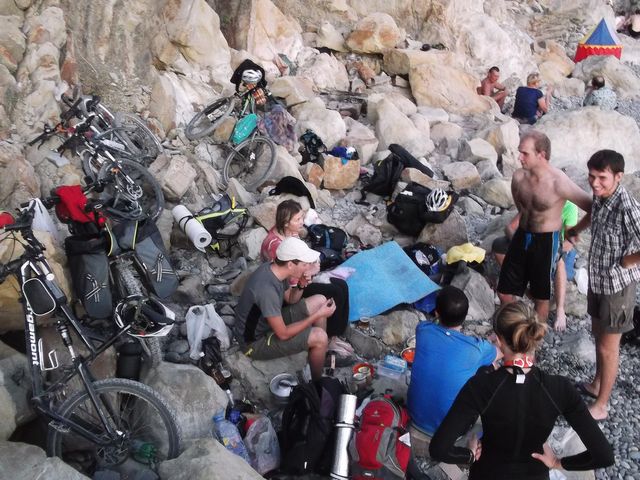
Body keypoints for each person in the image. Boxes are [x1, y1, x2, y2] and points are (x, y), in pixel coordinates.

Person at [429, 301, 614, 479]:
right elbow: (604, 455)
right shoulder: (560, 388)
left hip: (488, 472)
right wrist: (558, 462)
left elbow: (438, 449)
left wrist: (469, 455)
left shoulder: (480, 386)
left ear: (499, 340)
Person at [566, 149, 640, 421]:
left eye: (602, 178)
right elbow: (593, 215)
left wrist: (628, 261)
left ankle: (602, 405)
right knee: (598, 335)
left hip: (617, 288)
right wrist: (576, 229)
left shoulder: (627, 207)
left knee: (609, 347)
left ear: (618, 177)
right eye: (591, 176)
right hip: (598, 279)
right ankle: (597, 384)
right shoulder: (601, 196)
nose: (594, 183)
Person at [497, 130, 592, 324]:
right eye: (519, 152)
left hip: (546, 240)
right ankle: (512, 329)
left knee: (541, 296)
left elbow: (593, 207)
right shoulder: (518, 177)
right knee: (504, 291)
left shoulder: (558, 182)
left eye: (525, 153)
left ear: (541, 154)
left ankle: (534, 338)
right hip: (522, 234)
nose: (519, 157)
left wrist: (574, 230)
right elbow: (522, 208)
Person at [407, 286, 501, 465]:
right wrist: (490, 343)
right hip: (449, 430)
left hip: (415, 416)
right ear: (465, 317)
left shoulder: (422, 330)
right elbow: (499, 353)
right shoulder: (476, 348)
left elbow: (441, 338)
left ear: (436, 312)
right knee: (489, 368)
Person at [233, 237, 336, 380]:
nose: (308, 267)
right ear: (290, 264)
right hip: (254, 343)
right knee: (320, 337)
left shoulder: (274, 268)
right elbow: (283, 334)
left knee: (320, 300)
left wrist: (301, 284)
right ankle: (317, 382)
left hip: (267, 322)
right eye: (305, 264)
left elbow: (291, 299)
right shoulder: (267, 291)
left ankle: (319, 353)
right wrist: (318, 315)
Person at [260, 199, 350, 338]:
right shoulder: (275, 245)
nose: (302, 222)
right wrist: (310, 271)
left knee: (342, 285)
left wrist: (311, 265)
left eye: (302, 217)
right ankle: (331, 336)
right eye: (297, 219)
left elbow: (300, 259)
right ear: (286, 223)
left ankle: (338, 333)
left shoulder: (290, 232)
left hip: (299, 277)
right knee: (335, 291)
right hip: (289, 291)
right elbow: (288, 279)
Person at [493, 200, 578, 332]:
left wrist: (554, 251)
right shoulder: (534, 200)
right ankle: (520, 305)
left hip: (556, 246)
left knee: (558, 262)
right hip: (528, 243)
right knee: (498, 246)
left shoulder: (569, 207)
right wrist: (518, 243)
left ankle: (559, 310)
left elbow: (570, 242)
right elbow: (510, 227)